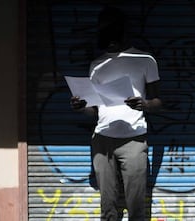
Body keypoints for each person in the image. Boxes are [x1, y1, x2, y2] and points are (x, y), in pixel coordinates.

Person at [70, 6, 162, 221]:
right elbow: (93, 110)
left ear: (123, 31)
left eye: (110, 31)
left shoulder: (145, 60)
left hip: (134, 141)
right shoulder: (97, 65)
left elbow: (159, 101)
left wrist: (145, 105)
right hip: (102, 140)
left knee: (136, 206)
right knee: (108, 208)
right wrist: (80, 107)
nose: (106, 36)